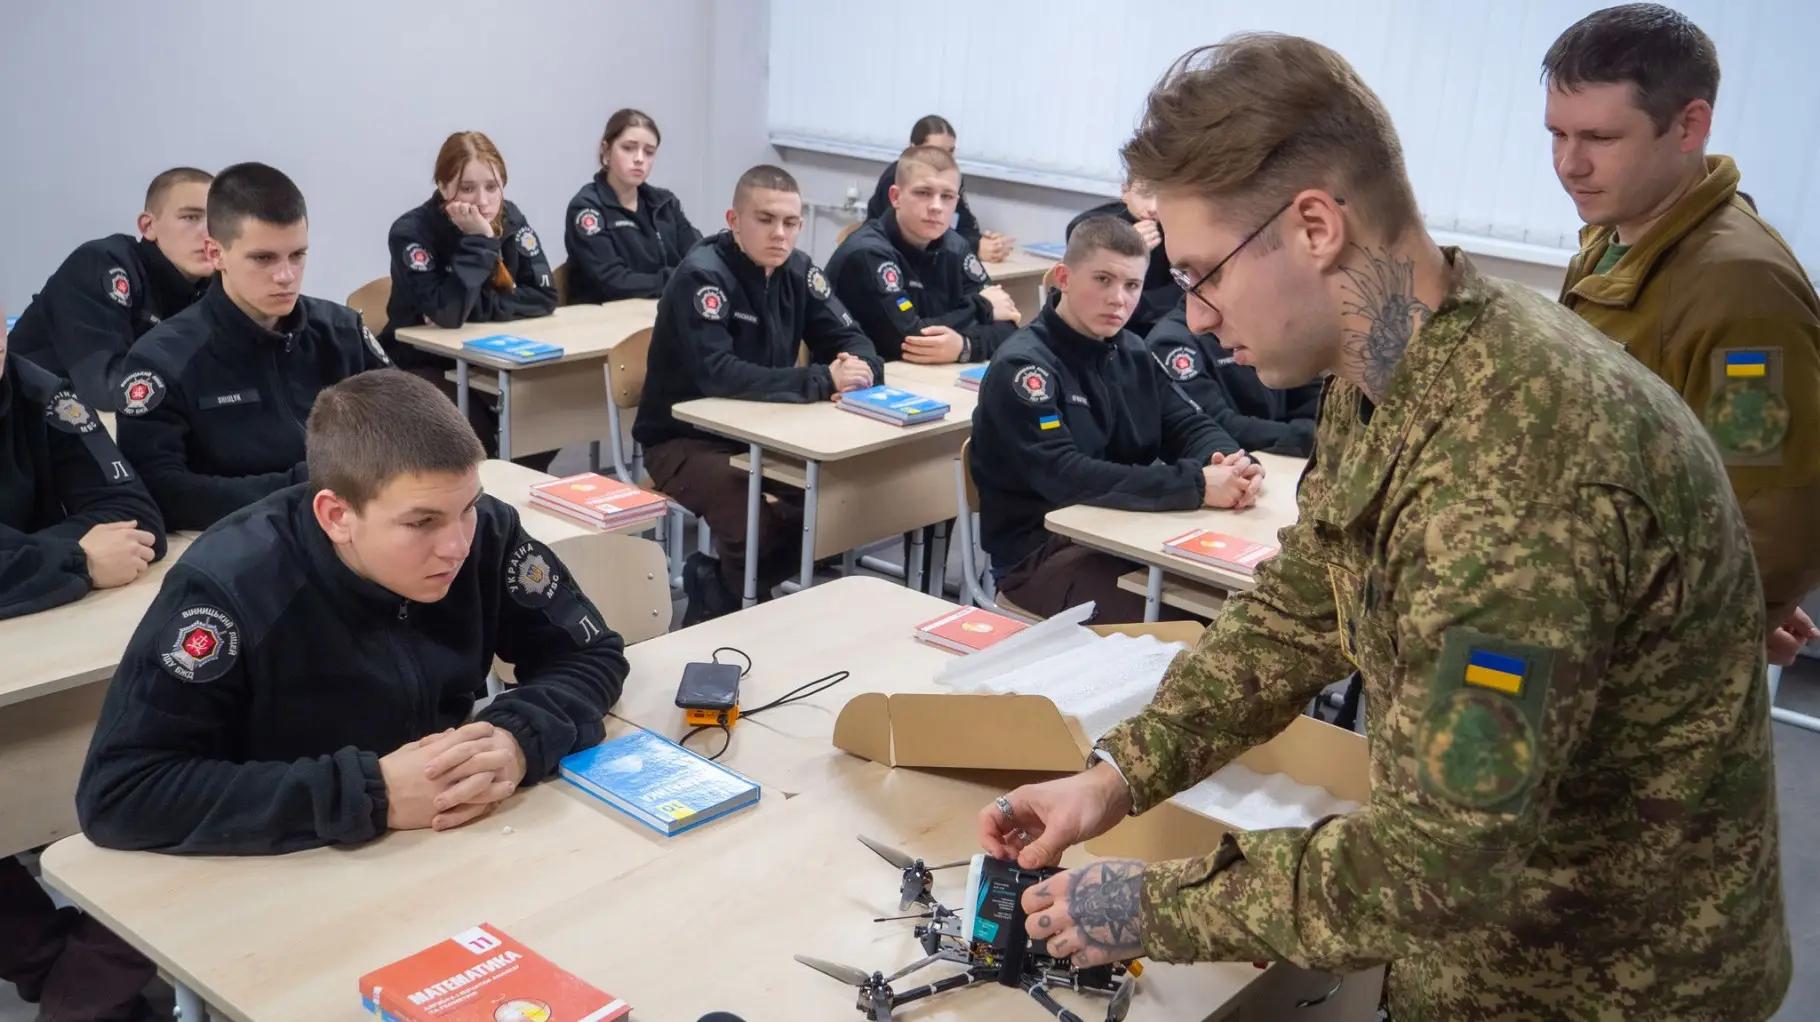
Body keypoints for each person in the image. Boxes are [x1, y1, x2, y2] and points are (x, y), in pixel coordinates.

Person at [981, 34, 1788, 1020]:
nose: (1187, 318)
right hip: (1491, 949)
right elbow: (1301, 598)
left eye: (1200, 274)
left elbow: (1438, 860)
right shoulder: (1391, 364)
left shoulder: (1522, 465)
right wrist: (1115, 776)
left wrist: (1142, 902)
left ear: (1313, 225)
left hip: (1607, 978)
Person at [77, 369, 628, 854]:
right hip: (297, 859)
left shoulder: (489, 531)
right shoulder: (231, 587)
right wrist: (372, 793)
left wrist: (516, 738)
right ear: (337, 515)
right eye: (421, 523)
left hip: (451, 838)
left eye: (467, 508)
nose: (458, 545)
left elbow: (591, 653)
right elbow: (123, 791)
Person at [1544, 3, 1820, 666]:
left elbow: (1771, 521)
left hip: (1640, 663)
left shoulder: (1739, 283)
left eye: (1600, 138)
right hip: (1590, 613)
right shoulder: (1618, 242)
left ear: (1689, 125)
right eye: (1556, 134)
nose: (1569, 164)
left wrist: (1734, 622)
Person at [0, 307, 166, 1021]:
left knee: (185, 765)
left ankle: (82, 988)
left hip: (51, 656)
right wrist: (72, 555)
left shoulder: (39, 391)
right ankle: (77, 981)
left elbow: (133, 514)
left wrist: (27, 559)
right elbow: (95, 542)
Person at [970, 216, 1256, 622]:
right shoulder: (1024, 367)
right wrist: (1194, 485)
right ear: (1064, 278)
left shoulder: (1132, 352)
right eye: (1102, 280)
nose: (1118, 299)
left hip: (1121, 536)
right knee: (1203, 625)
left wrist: (1231, 461)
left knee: (1236, 604)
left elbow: (1186, 423)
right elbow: (1065, 475)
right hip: (1040, 558)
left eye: (1132, 285)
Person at [634, 165, 883, 625]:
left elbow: (854, 338)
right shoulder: (702, 277)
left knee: (836, 506)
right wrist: (823, 381)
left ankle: (719, 589)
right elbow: (720, 375)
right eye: (765, 220)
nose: (779, 234)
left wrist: (860, 368)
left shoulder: (799, 272)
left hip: (765, 432)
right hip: (682, 440)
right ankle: (736, 610)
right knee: (754, 525)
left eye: (790, 223)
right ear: (734, 219)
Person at [115, 162, 391, 532]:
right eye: (263, 258)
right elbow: (163, 493)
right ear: (216, 254)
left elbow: (403, 430)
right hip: (238, 543)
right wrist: (312, 485)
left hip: (355, 526)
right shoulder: (162, 360)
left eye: (297, 255)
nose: (285, 276)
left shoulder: (343, 331)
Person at [8, 168, 214, 410]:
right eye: (191, 217)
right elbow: (107, 388)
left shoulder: (215, 285)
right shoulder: (101, 264)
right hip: (28, 420)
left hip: (88, 425)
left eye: (218, 221)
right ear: (148, 226)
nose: (208, 233)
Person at [827, 145, 1020, 363]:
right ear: (895, 197)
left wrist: (965, 346)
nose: (936, 206)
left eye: (947, 196)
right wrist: (982, 308)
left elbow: (1009, 326)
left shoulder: (955, 247)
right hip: (866, 382)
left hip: (931, 377)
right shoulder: (868, 253)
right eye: (923, 193)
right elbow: (910, 338)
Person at [1145, 300, 1322, 456]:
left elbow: (1307, 389)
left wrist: (1325, 426)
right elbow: (1216, 424)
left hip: (1288, 459)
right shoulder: (1172, 341)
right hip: (1239, 463)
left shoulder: (1262, 319)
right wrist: (1310, 435)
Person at [565, 108, 703, 303]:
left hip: (662, 311)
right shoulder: (587, 207)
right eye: (628, 148)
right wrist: (678, 280)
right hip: (605, 319)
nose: (639, 159)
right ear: (606, 151)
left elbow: (699, 257)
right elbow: (612, 281)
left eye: (649, 152)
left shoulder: (665, 203)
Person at [864, 115, 1015, 262]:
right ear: (913, 148)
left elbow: (965, 225)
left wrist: (984, 243)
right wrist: (975, 247)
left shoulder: (950, 179)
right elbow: (913, 236)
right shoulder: (897, 177)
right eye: (935, 151)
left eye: (950, 151)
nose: (945, 158)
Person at [1066, 177, 1177, 337]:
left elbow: (1183, 291)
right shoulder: (1090, 225)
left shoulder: (1176, 226)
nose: (1153, 207)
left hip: (1161, 324)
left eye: (1163, 197)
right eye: (1145, 194)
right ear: (1125, 191)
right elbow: (1091, 292)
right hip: (1106, 326)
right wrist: (1125, 247)